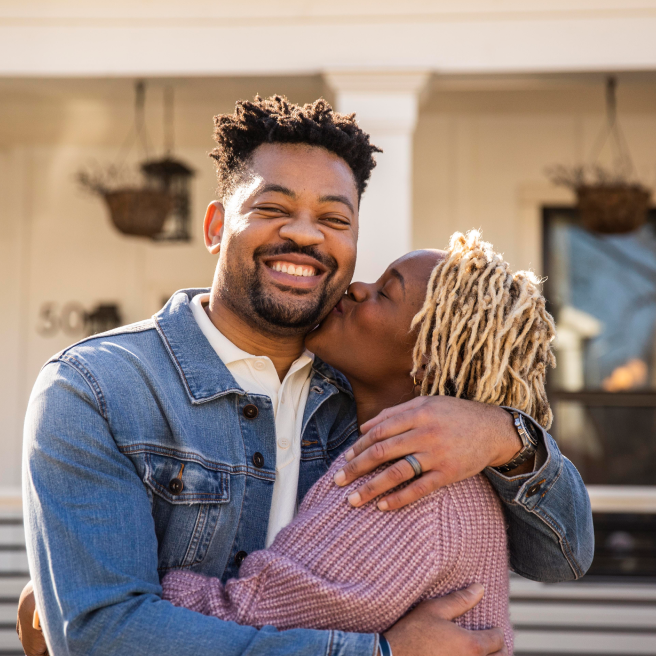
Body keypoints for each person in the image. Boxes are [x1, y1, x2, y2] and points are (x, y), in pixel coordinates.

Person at [19, 96, 593, 656]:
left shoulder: (394, 421)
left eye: (334, 218)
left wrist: (506, 436)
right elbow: (102, 633)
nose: (306, 234)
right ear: (217, 225)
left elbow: (562, 557)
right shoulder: (96, 389)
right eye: (272, 208)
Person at [159, 232, 556, 656]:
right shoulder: (427, 465)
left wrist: (144, 581)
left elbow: (242, 616)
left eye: (385, 292)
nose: (357, 288)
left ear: (424, 358)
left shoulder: (402, 486)